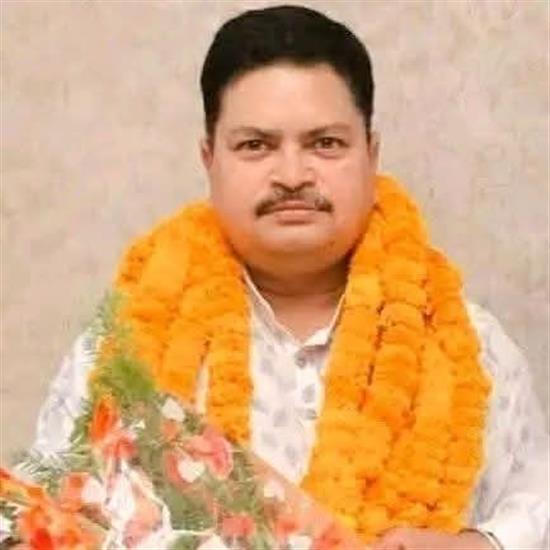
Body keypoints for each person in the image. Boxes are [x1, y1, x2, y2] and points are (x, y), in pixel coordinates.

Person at [30, 5, 548, 549]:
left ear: (371, 154)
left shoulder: (472, 349)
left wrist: (487, 544)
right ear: (209, 158)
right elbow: (40, 524)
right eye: (256, 145)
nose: (293, 175)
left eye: (325, 143)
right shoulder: (120, 353)